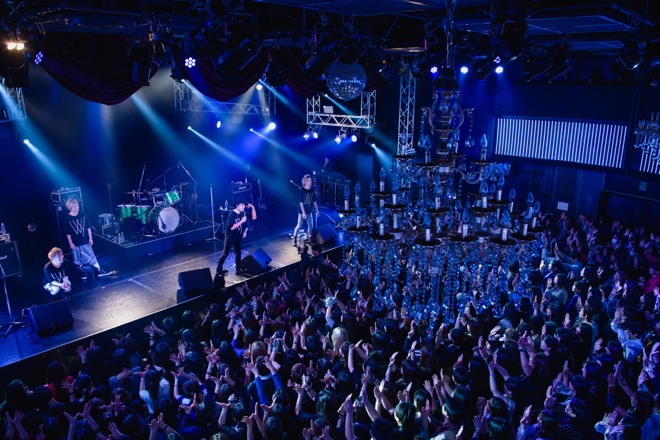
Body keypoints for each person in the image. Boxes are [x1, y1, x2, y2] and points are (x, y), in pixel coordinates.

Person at [64, 198, 111, 280]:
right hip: (75, 242)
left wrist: (90, 238)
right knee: (78, 258)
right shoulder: (67, 218)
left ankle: (99, 270)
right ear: (71, 207)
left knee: (91, 255)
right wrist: (71, 243)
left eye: (77, 205)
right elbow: (68, 233)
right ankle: (82, 272)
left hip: (84, 240)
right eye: (75, 206)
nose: (77, 207)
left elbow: (88, 227)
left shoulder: (83, 214)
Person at [216, 197, 257, 277]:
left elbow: (254, 217)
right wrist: (241, 221)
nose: (243, 207)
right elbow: (231, 227)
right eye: (241, 205)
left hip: (237, 237)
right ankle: (218, 269)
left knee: (238, 253)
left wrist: (252, 207)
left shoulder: (243, 213)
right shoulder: (232, 214)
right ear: (237, 205)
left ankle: (238, 270)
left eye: (244, 205)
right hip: (230, 237)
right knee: (225, 254)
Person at [292, 174, 319, 247]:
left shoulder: (312, 191)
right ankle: (294, 237)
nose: (310, 182)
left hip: (309, 211)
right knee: (299, 225)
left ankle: (309, 238)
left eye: (310, 180)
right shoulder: (302, 191)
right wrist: (303, 212)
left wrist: (317, 210)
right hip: (301, 212)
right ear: (304, 182)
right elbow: (301, 202)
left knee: (311, 225)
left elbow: (314, 201)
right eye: (308, 181)